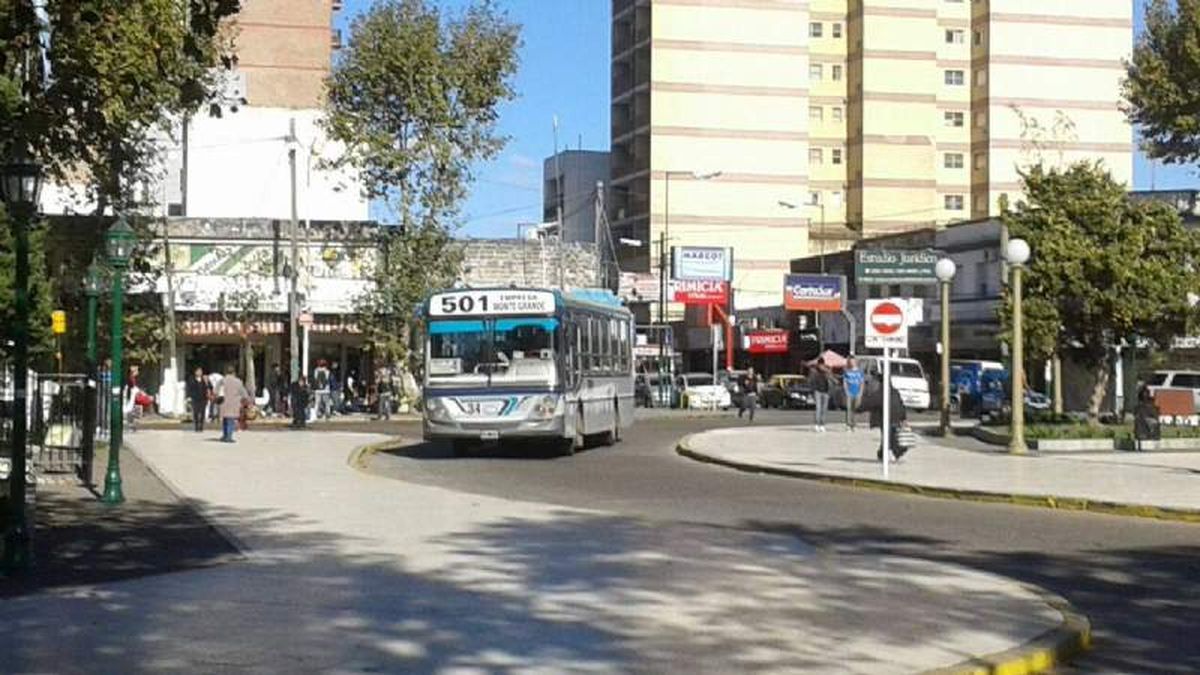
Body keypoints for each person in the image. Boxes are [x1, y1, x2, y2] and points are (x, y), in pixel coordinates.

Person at [865, 373, 909, 461]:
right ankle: (884, 454)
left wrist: (859, 407)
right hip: (896, 418)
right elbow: (901, 405)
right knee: (892, 437)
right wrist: (904, 417)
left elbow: (871, 402)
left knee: (888, 438)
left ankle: (889, 453)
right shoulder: (895, 391)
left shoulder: (881, 392)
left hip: (887, 419)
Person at [218, 365, 250, 443]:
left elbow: (216, 390)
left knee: (225, 419)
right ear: (234, 372)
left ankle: (225, 435)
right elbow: (243, 392)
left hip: (224, 402)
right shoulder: (238, 381)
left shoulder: (222, 380)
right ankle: (229, 436)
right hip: (234, 403)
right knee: (231, 420)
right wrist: (247, 398)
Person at [1133, 385, 1161, 452]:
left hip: (1148, 419)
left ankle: (1148, 436)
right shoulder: (1140, 406)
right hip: (1145, 419)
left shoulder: (1150, 405)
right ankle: (1145, 436)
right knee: (1143, 421)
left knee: (1150, 422)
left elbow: (1155, 414)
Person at [185, 367, 212, 432]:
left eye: (200, 371)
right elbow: (188, 388)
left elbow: (210, 387)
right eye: (198, 371)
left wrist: (207, 383)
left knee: (203, 412)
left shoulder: (205, 379)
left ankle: (201, 426)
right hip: (195, 398)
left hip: (203, 398)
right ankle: (196, 426)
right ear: (195, 372)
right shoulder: (191, 379)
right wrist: (188, 397)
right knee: (196, 412)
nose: (199, 373)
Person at [809, 357, 831, 432]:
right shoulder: (814, 372)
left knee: (824, 409)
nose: (821, 366)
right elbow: (811, 381)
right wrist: (812, 391)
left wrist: (828, 372)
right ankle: (816, 424)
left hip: (826, 391)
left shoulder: (826, 372)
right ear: (818, 365)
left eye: (822, 364)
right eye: (820, 364)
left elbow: (831, 380)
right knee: (818, 408)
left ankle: (822, 424)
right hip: (817, 391)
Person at [843, 357, 865, 430]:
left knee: (856, 408)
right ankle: (848, 424)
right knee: (849, 409)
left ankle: (854, 424)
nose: (852, 363)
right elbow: (845, 382)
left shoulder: (860, 372)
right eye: (851, 361)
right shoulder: (847, 371)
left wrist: (860, 393)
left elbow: (862, 383)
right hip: (850, 392)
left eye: (854, 361)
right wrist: (846, 391)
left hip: (857, 392)